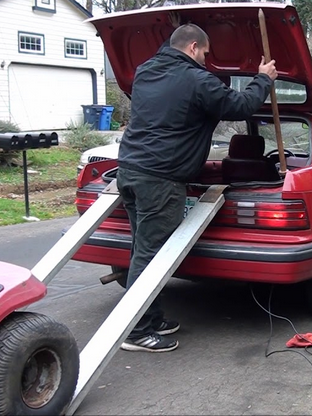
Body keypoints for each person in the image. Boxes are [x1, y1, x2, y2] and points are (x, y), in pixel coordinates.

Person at [117, 22, 278, 352]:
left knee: (142, 249)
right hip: (160, 179)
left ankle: (152, 316)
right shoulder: (195, 79)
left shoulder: (145, 71)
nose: (206, 59)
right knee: (152, 256)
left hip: (129, 171)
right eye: (205, 53)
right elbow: (239, 106)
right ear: (192, 48)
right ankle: (136, 332)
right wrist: (263, 78)